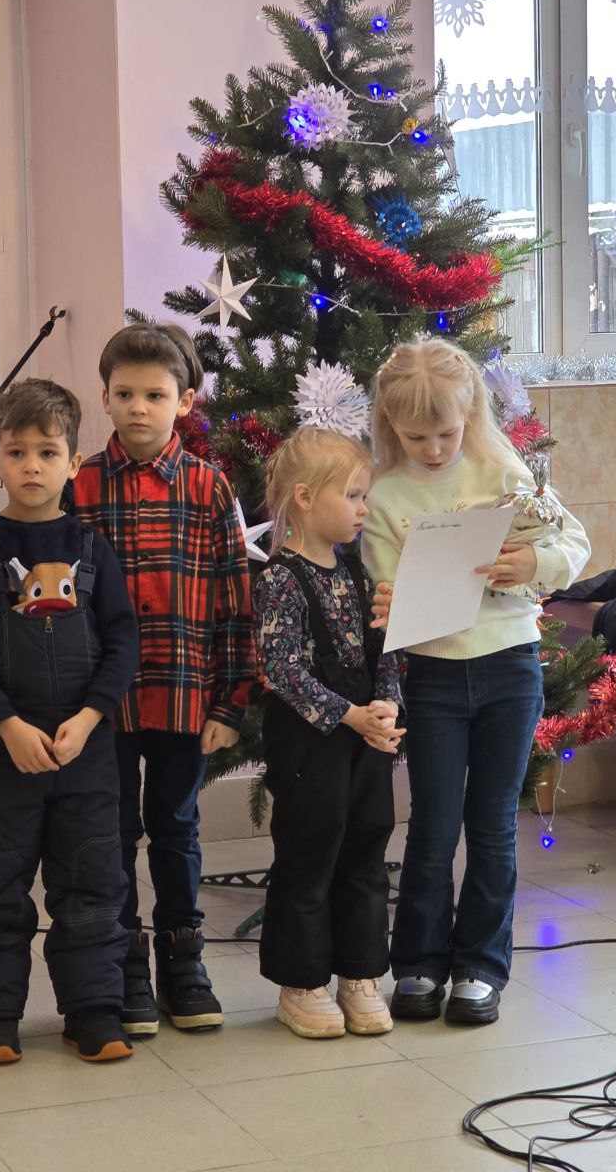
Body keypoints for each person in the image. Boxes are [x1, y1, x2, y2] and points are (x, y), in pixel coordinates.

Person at [362, 338, 590, 1025]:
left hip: (509, 665)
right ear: (391, 425)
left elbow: (572, 542)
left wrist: (534, 565)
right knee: (433, 825)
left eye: (447, 433)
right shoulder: (386, 494)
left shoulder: (503, 470)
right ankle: (419, 964)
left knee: (492, 824)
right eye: (416, 437)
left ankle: (481, 969)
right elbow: (384, 586)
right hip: (432, 676)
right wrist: (391, 601)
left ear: (470, 416)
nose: (434, 449)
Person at [0, 378, 140, 1066]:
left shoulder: (94, 548)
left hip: (85, 753)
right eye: (17, 451)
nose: (32, 465)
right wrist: (5, 725)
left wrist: (88, 718)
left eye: (47, 452)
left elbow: (122, 641)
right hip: (5, 758)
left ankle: (93, 1011)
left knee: (92, 885)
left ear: (72, 463)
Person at [73, 323, 255, 1036]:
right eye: (125, 394)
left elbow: (236, 602)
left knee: (175, 828)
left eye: (155, 395)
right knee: (114, 830)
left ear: (184, 401)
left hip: (186, 696)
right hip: (105, 703)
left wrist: (231, 704)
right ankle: (124, 963)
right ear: (105, 398)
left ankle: (185, 959)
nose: (138, 408)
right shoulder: (82, 485)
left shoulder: (209, 487)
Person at [253, 428, 404, 1038]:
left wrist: (386, 706)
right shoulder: (281, 578)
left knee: (366, 849)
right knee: (310, 852)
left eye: (366, 496)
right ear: (306, 498)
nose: (365, 508)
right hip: (310, 743)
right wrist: (350, 714)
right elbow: (283, 669)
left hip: (364, 740)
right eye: (354, 495)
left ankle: (359, 974)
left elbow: (384, 649)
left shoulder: (358, 575)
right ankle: (302, 983)